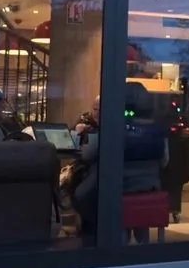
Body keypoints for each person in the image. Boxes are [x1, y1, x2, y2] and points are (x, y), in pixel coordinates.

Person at [71, 83, 169, 244]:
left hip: (120, 186)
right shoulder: (158, 129)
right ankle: (142, 242)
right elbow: (165, 161)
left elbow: (88, 155)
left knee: (82, 193)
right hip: (150, 185)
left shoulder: (115, 126)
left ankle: (98, 237)